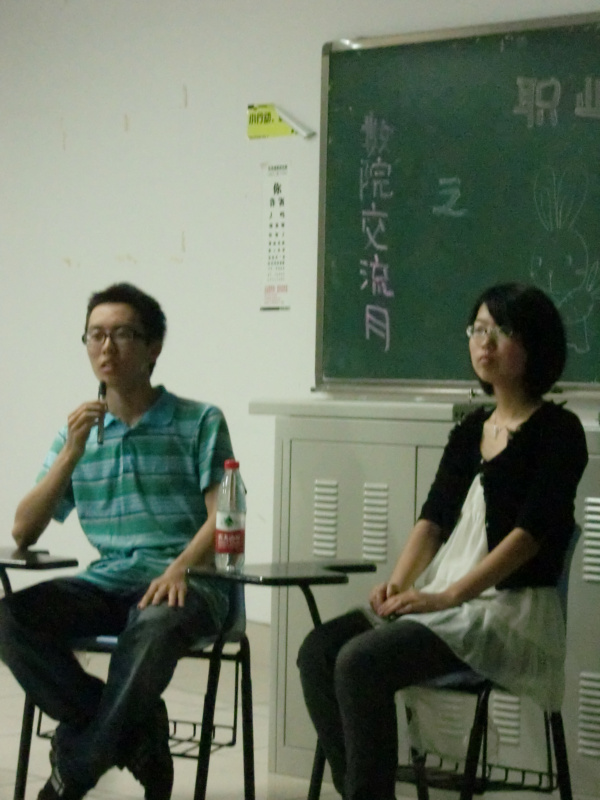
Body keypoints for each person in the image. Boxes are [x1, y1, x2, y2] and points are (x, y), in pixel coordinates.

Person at [297, 282, 588, 800]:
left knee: (361, 660)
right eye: (478, 329)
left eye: (501, 330)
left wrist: (449, 596)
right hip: (444, 600)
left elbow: (529, 536)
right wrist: (398, 584)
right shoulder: (471, 429)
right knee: (318, 651)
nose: (484, 342)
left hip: (507, 612)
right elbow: (432, 520)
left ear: (535, 344)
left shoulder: (559, 431)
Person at [0, 283, 235, 800]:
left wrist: (179, 567)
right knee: (10, 618)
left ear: (153, 347)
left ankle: (77, 767)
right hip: (109, 580)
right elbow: (23, 530)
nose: (106, 347)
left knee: (152, 626)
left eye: (122, 334)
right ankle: (136, 734)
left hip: (190, 582)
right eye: (95, 335)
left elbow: (225, 520)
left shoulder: (200, 420)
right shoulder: (78, 433)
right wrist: (70, 454)